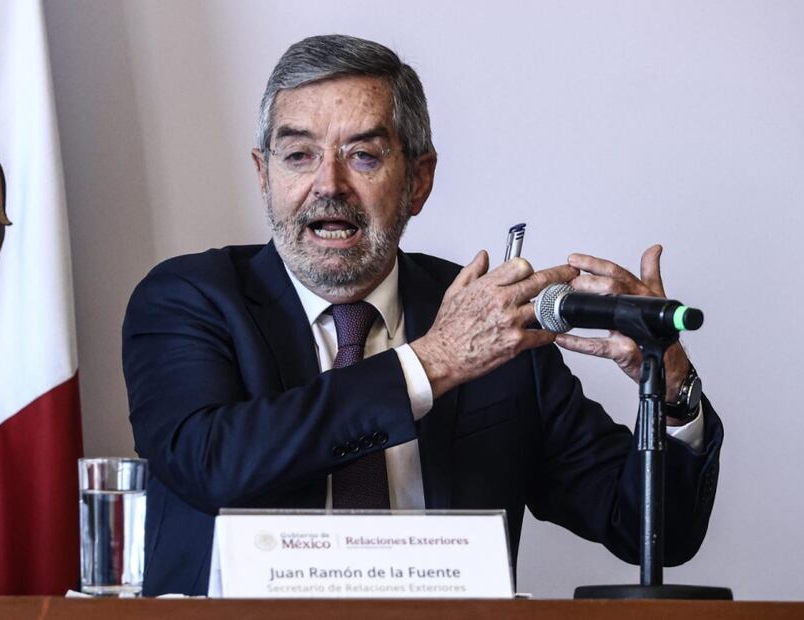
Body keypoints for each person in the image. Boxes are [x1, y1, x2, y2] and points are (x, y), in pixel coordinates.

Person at [122, 34, 722, 596]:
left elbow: (649, 530)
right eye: (299, 155)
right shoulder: (188, 298)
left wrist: (671, 387)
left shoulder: (494, 325)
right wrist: (434, 361)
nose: (327, 185)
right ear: (264, 175)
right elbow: (210, 464)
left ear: (419, 180)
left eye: (362, 156)